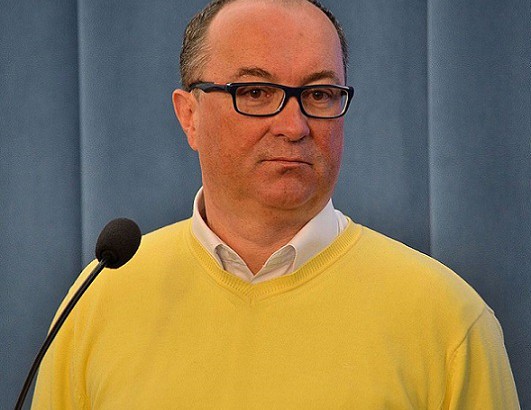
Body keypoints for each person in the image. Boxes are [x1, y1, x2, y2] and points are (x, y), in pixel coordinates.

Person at [32, 0, 520, 408]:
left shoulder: (449, 321)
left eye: (319, 94)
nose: (294, 126)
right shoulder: (97, 302)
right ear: (190, 116)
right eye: (256, 92)